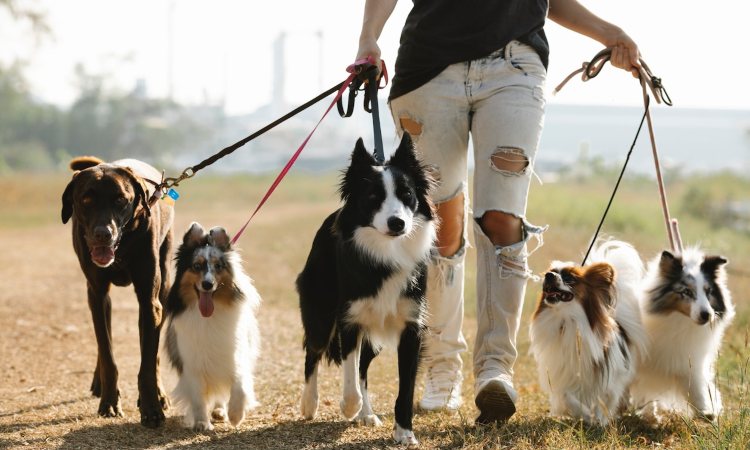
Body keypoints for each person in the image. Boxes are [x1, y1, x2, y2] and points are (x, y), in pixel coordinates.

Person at [355, 0, 641, 423]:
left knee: (503, 220)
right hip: (428, 70)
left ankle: (495, 368)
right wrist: (368, 37)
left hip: (515, 68)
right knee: (440, 226)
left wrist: (609, 32)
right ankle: (441, 366)